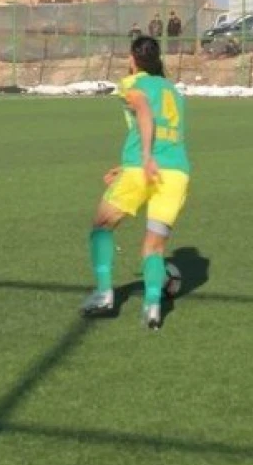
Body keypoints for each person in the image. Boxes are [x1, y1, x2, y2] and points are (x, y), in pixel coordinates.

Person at [80, 35, 192, 331]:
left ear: (133, 59)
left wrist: (143, 157)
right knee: (153, 248)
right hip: (177, 174)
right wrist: (128, 163)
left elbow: (144, 112)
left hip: (144, 170)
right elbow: (167, 132)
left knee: (101, 226)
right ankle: (153, 308)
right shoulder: (172, 90)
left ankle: (105, 294)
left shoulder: (133, 83)